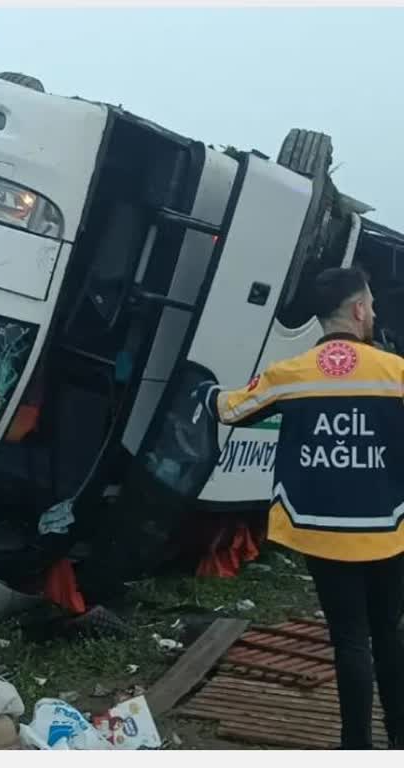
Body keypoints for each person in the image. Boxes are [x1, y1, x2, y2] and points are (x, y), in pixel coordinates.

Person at [195, 266, 404, 750]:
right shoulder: (395, 375)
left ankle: (356, 749)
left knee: (350, 639)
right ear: (357, 310)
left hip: (320, 530)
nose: (372, 313)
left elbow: (229, 409)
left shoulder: (289, 374)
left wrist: (199, 390)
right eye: (370, 306)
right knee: (389, 633)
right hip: (387, 530)